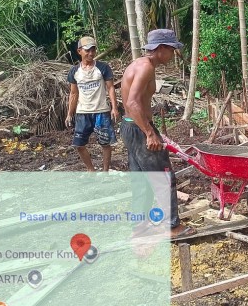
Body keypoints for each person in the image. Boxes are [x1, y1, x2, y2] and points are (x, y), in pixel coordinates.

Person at [121, 29, 195, 238]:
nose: (173, 54)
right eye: (171, 49)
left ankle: (140, 227)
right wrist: (149, 133)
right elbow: (132, 102)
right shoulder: (145, 68)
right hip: (139, 128)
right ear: (160, 49)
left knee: (141, 180)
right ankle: (172, 227)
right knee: (164, 177)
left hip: (130, 126)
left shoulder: (138, 64)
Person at [66, 36, 119, 172]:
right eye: (87, 50)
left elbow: (110, 88)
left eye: (93, 50)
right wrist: (69, 114)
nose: (91, 53)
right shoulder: (74, 71)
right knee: (79, 145)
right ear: (79, 51)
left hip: (101, 111)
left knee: (105, 143)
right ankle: (91, 170)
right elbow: (73, 93)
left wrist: (114, 108)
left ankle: (105, 171)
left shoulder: (102, 68)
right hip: (83, 113)